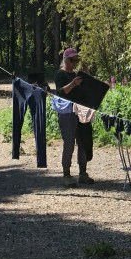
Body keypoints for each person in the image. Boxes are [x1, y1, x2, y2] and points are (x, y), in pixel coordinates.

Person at [52, 47, 94, 186]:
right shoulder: (60, 74)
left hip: (80, 111)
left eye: (77, 60)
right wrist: (73, 84)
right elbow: (60, 92)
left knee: (83, 141)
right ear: (65, 60)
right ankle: (66, 175)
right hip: (67, 112)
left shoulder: (77, 74)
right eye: (72, 60)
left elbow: (88, 88)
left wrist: (86, 74)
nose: (75, 62)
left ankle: (83, 173)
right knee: (69, 143)